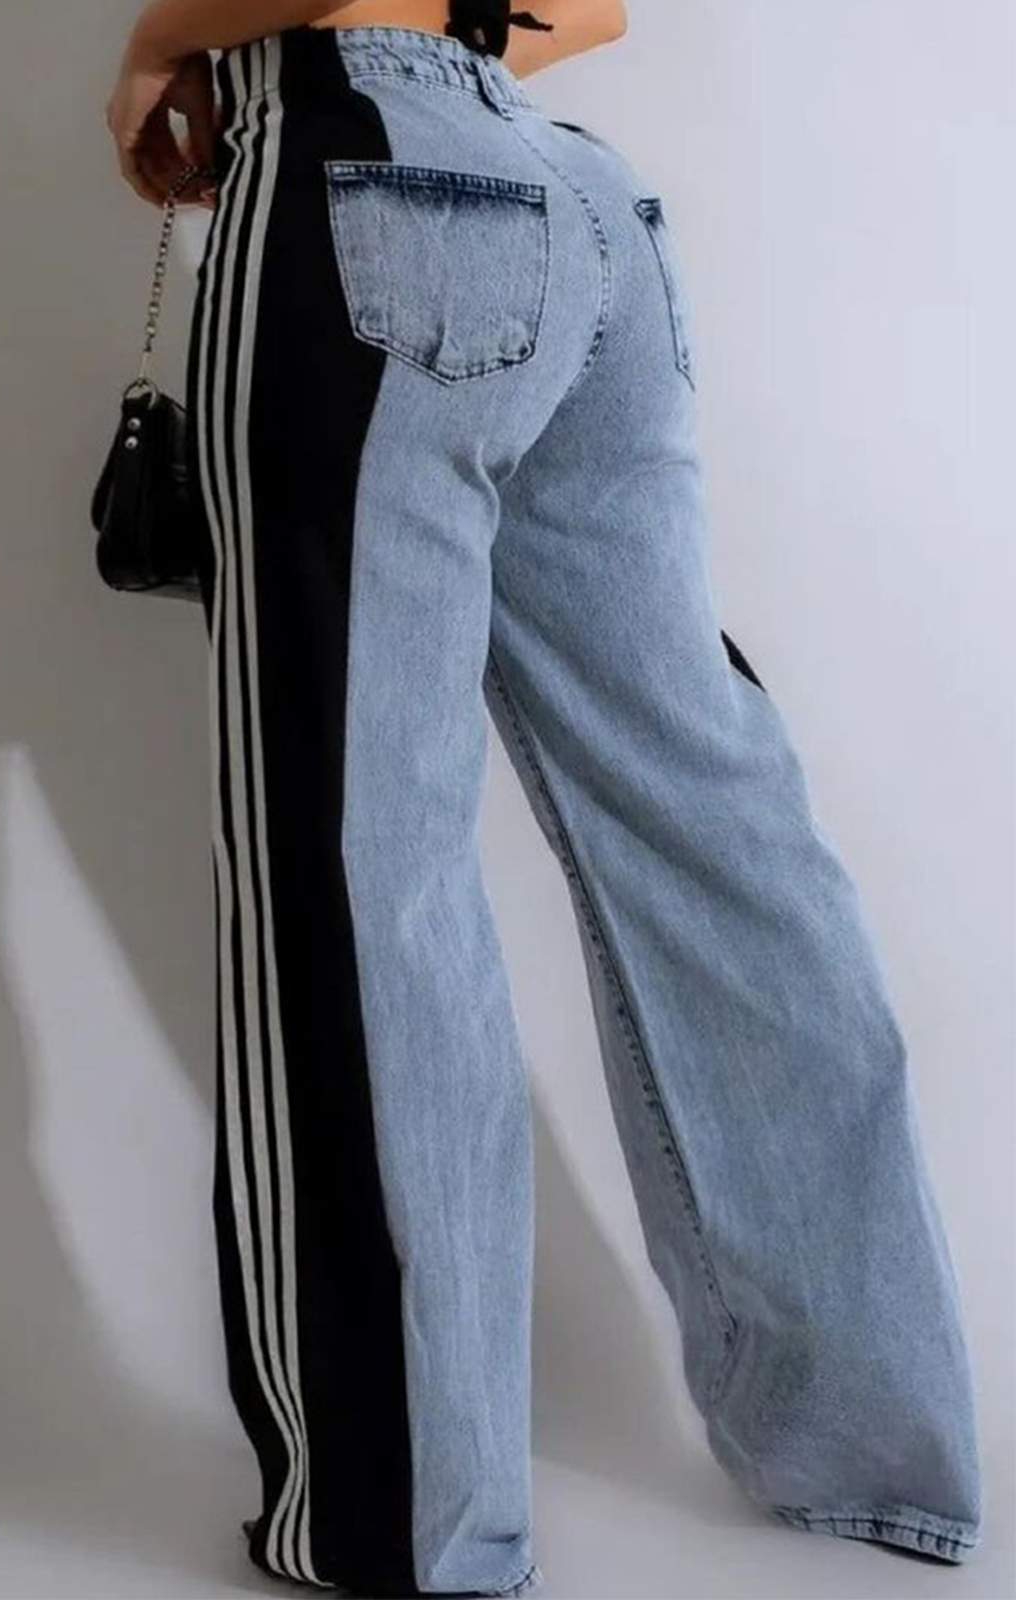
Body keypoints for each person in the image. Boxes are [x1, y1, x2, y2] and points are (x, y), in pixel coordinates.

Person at [104, 4, 983, 1595]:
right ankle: (877, 1448)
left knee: (360, 855)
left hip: (366, 182)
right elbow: (593, 5)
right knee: (710, 826)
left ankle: (413, 1533)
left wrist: (162, 53)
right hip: (582, 211)